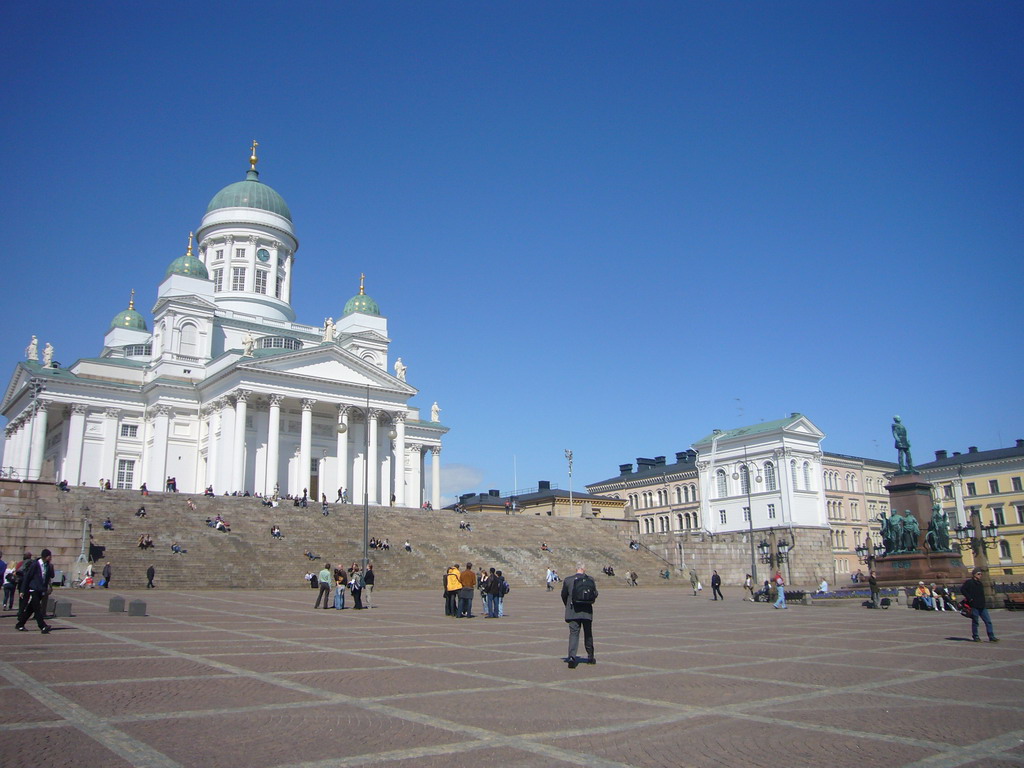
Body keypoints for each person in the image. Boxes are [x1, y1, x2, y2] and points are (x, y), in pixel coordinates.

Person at [561, 564, 598, 668]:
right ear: (584, 569)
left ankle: (572, 657)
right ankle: (590, 656)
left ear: (575, 569)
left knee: (574, 634)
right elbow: (595, 594)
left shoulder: (568, 580)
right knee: (588, 634)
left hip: (573, 610)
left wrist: (568, 605)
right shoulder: (590, 579)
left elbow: (563, 595)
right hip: (586, 611)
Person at [16, 548, 54, 633]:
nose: (50, 558)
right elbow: (27, 577)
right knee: (37, 608)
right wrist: (22, 590)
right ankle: (42, 626)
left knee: (31, 608)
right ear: (46, 556)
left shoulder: (47, 565)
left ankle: (20, 624)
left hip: (41, 589)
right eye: (49, 556)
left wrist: (51, 567)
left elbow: (51, 576)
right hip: (34, 589)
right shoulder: (35, 564)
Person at [960, 568, 998, 642]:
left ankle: (991, 636)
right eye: (978, 574)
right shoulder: (969, 582)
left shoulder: (980, 583)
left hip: (982, 606)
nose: (980, 575)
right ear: (974, 574)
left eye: (981, 574)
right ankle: (976, 636)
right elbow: (962, 590)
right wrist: (969, 598)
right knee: (975, 622)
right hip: (974, 606)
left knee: (988, 621)